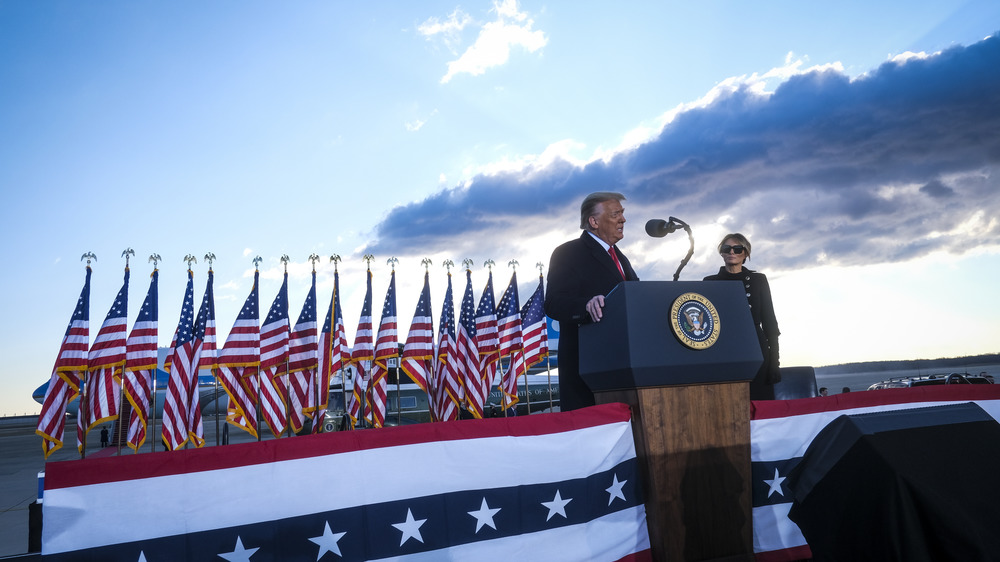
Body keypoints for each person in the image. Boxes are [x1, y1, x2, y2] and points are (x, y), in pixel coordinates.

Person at [544, 192, 639, 411]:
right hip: (587, 372)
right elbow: (554, 303)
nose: (623, 219)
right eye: (616, 214)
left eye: (622, 214)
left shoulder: (619, 257)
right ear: (594, 221)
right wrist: (586, 305)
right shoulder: (568, 253)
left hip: (623, 366)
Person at [704, 233, 780, 400]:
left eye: (737, 249)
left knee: (760, 404)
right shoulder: (710, 282)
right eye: (727, 248)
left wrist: (775, 363)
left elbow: (770, 323)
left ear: (745, 254)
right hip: (723, 349)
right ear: (721, 253)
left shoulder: (758, 280)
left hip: (756, 348)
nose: (732, 252)